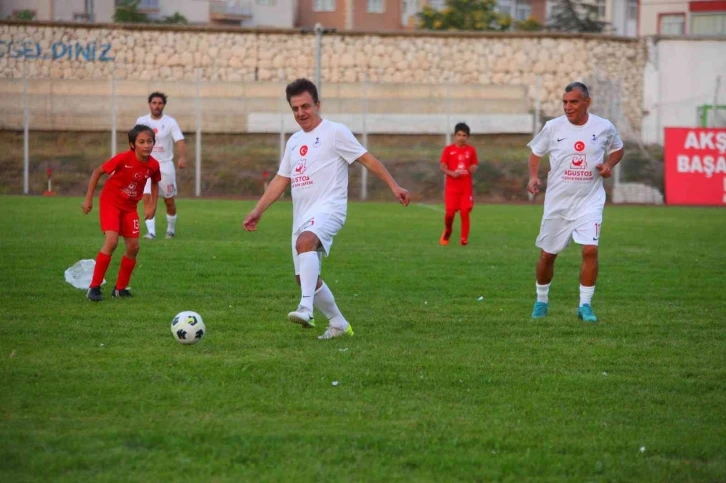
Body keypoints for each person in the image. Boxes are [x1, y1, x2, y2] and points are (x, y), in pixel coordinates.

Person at [243, 78, 410, 340]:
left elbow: (367, 159)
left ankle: (305, 308)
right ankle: (338, 323)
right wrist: (258, 210)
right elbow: (281, 180)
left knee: (305, 242)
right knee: (305, 278)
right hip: (302, 215)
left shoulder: (335, 132)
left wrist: (394, 185)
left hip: (330, 208)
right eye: (295, 108)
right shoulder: (294, 141)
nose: (301, 113)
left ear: (318, 105)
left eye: (305, 106)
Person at [527, 82, 624, 323]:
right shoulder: (553, 127)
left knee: (590, 250)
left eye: (574, 102)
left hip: (589, 201)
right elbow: (536, 152)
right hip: (558, 203)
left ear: (586, 102)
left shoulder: (603, 126)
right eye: (565, 102)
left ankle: (585, 305)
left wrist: (608, 165)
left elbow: (618, 149)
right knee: (548, 255)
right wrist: (533, 177)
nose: (568, 107)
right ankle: (541, 300)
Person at [82, 125, 161, 302]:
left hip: (130, 207)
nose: (146, 145)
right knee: (111, 242)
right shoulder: (123, 158)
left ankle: (120, 289)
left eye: (149, 141)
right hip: (111, 202)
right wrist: (88, 199)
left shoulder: (153, 165)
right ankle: (94, 287)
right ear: (132, 145)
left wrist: (152, 205)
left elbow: (155, 182)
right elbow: (98, 172)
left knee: (134, 247)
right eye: (141, 142)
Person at [136, 92, 186, 240]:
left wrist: (182, 157)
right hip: (146, 165)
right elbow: (135, 141)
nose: (157, 106)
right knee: (147, 198)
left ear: (163, 105)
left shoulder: (170, 122)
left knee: (169, 200)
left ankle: (170, 230)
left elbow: (179, 140)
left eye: (160, 103)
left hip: (165, 166)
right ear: (149, 104)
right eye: (154, 103)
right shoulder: (142, 121)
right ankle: (151, 232)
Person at [439, 122, 478, 246]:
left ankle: (464, 239)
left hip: (465, 188)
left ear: (468, 137)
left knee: (465, 212)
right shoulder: (448, 150)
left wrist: (473, 168)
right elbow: (442, 167)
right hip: (452, 188)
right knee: (450, 214)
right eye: (459, 135)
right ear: (455, 135)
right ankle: (448, 231)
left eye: (464, 135)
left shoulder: (471, 150)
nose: (461, 138)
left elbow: (474, 164)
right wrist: (451, 173)